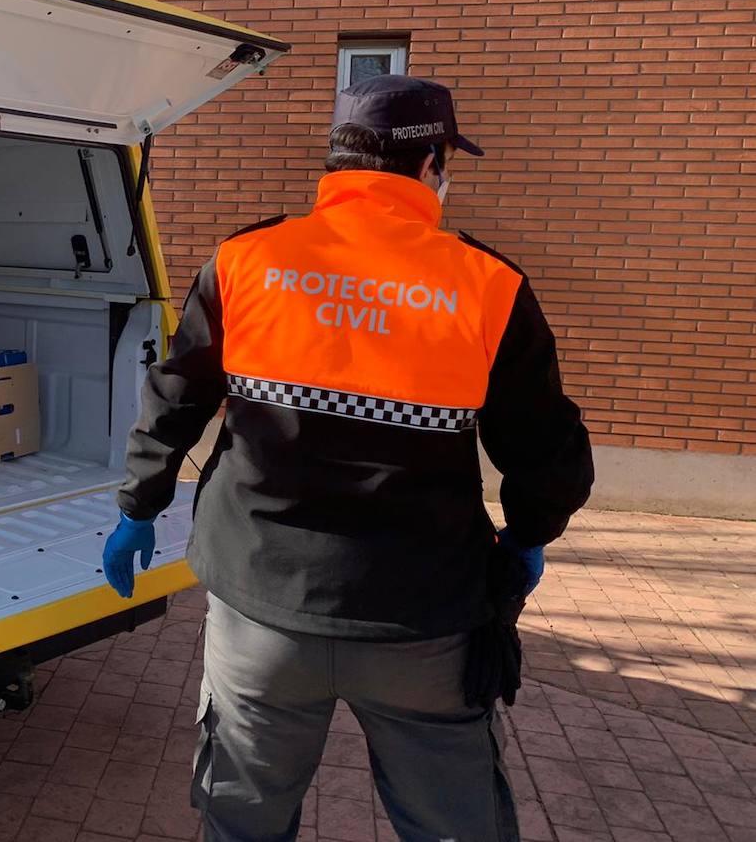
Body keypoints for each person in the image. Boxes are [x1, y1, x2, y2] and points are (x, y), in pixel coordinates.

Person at [101, 75, 594, 842]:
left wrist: (139, 506)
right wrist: (529, 535)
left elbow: (174, 396)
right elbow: (547, 450)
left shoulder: (244, 262)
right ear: (432, 164)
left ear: (338, 162)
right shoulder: (488, 286)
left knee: (240, 822)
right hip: (423, 622)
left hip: (260, 611)